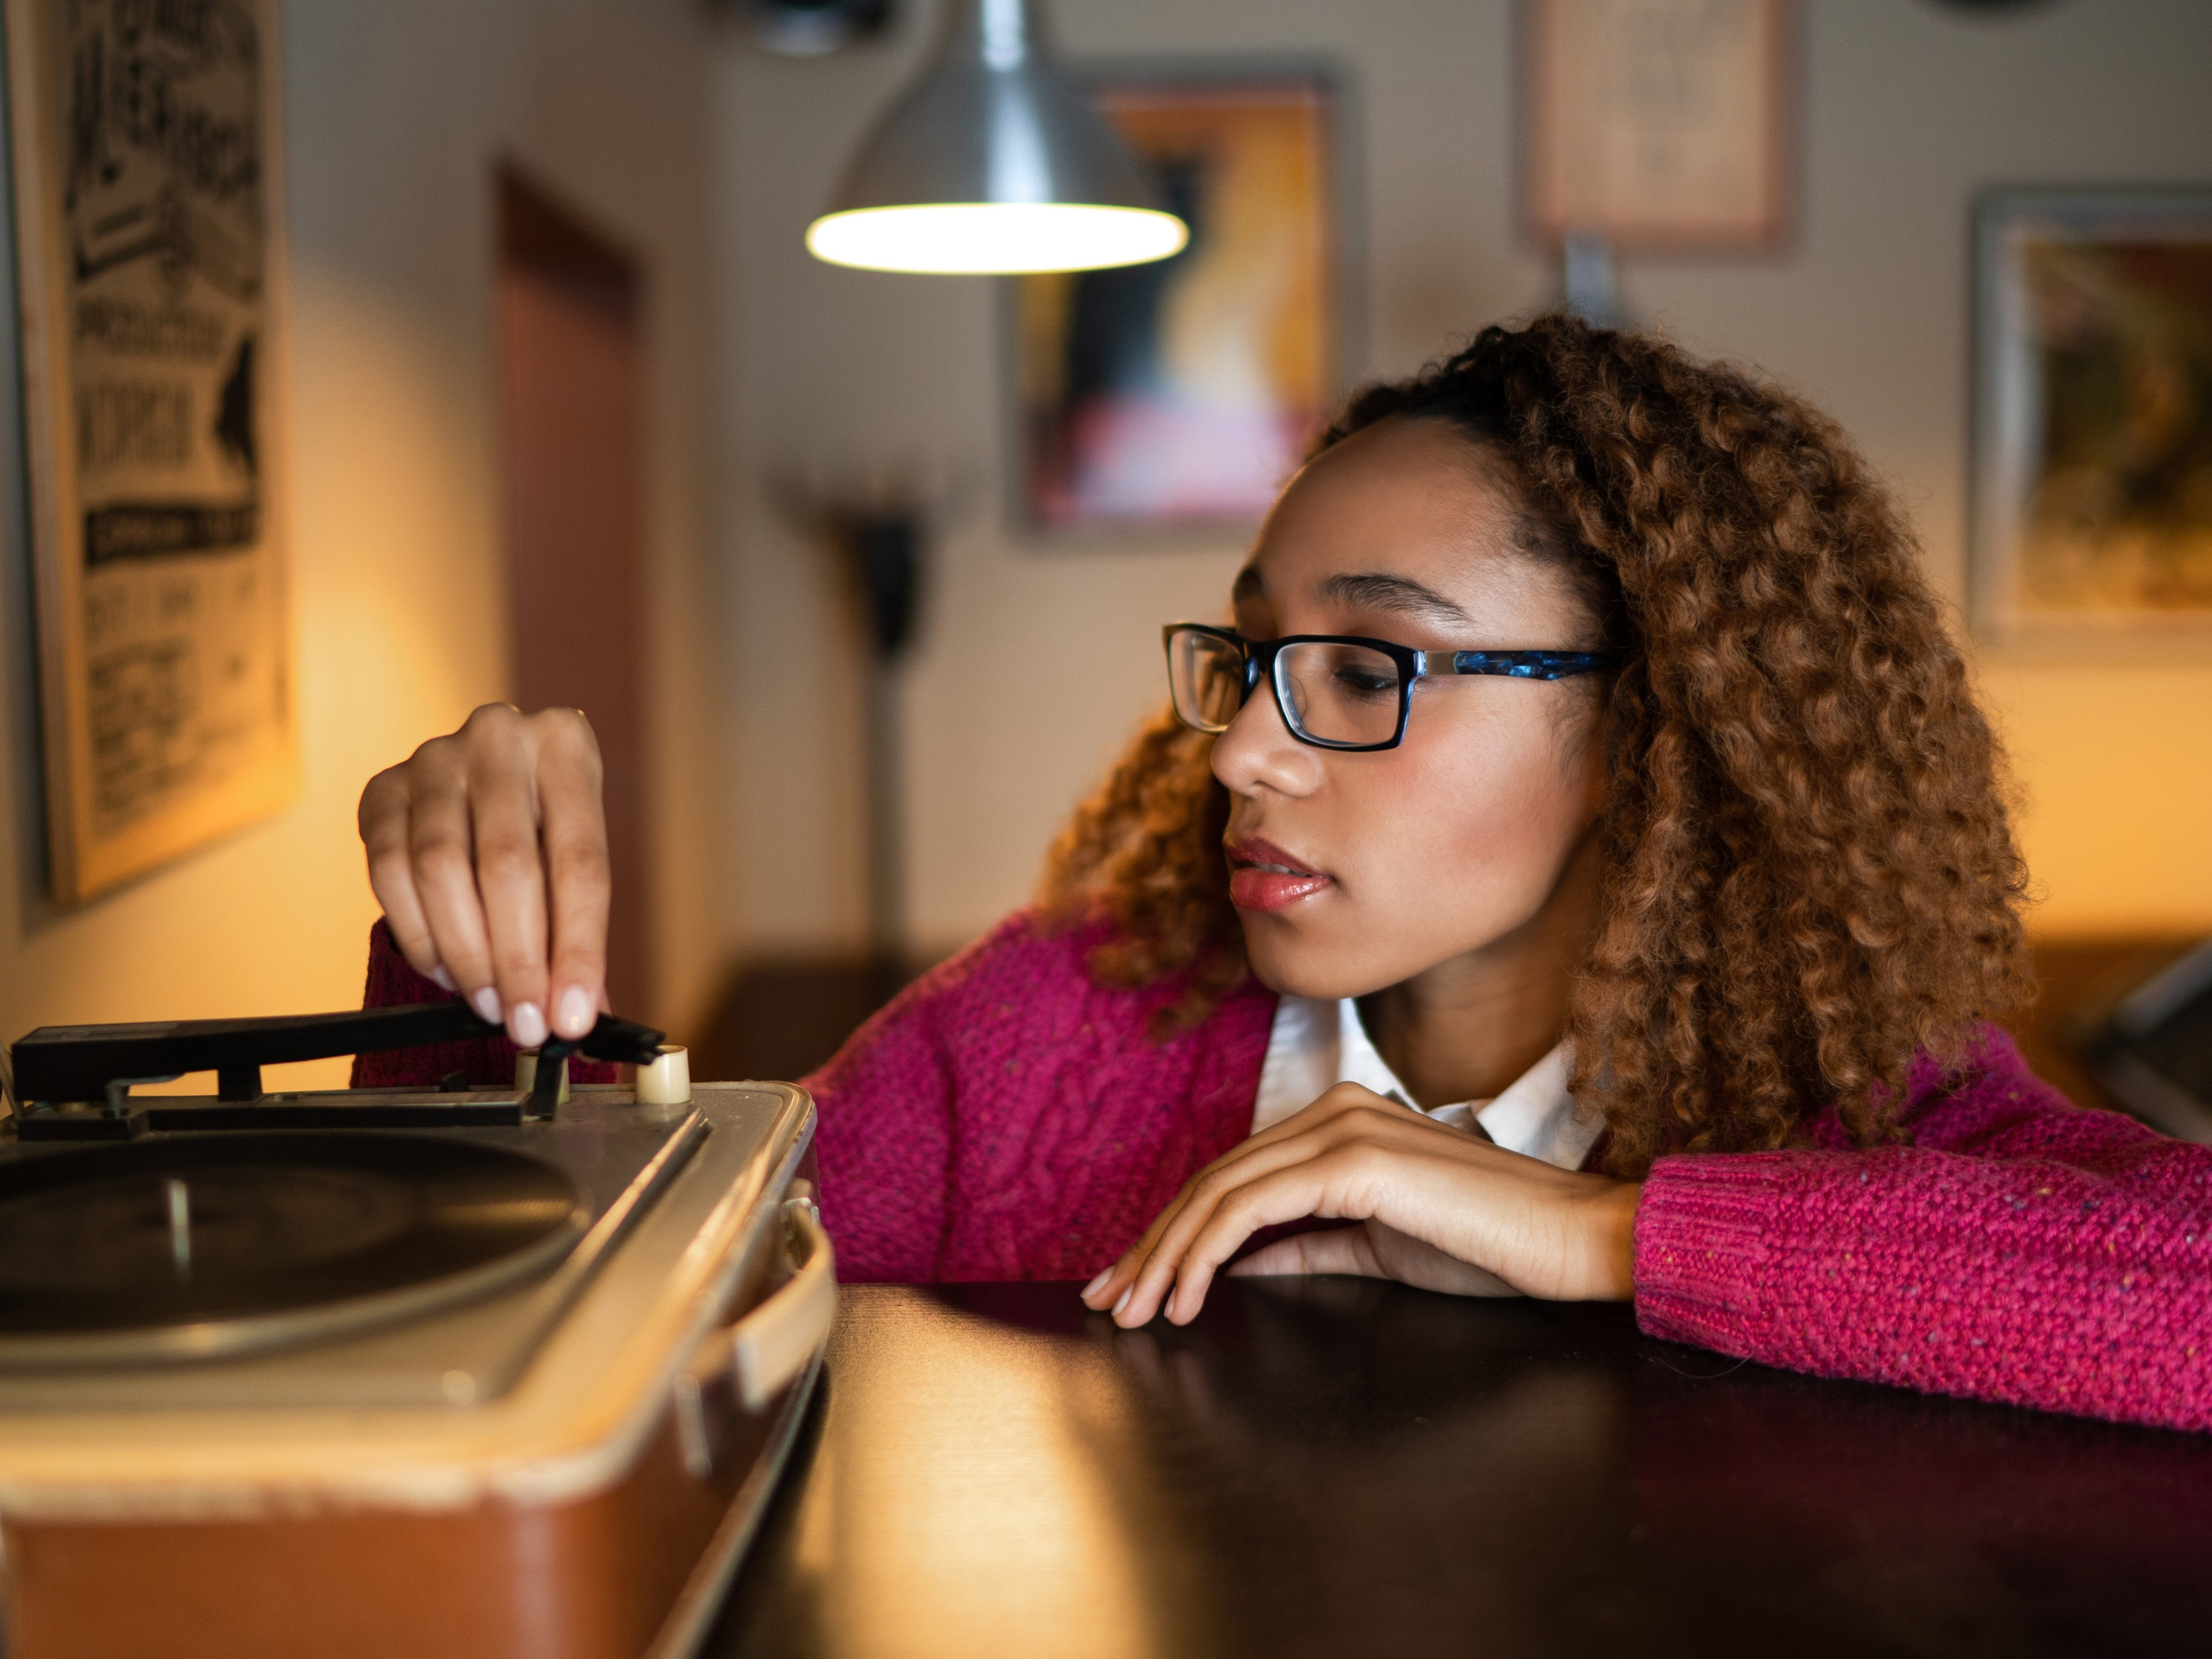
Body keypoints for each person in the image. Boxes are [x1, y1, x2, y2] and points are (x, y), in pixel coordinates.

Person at [356, 315, 2212, 1432]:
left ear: (1653, 725)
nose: (1241, 746)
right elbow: (607, 1308)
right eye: (1253, 655)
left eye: (1364, 668)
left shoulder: (1859, 1106)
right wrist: (470, 972)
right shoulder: (1061, 1027)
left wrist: (1607, 1236)